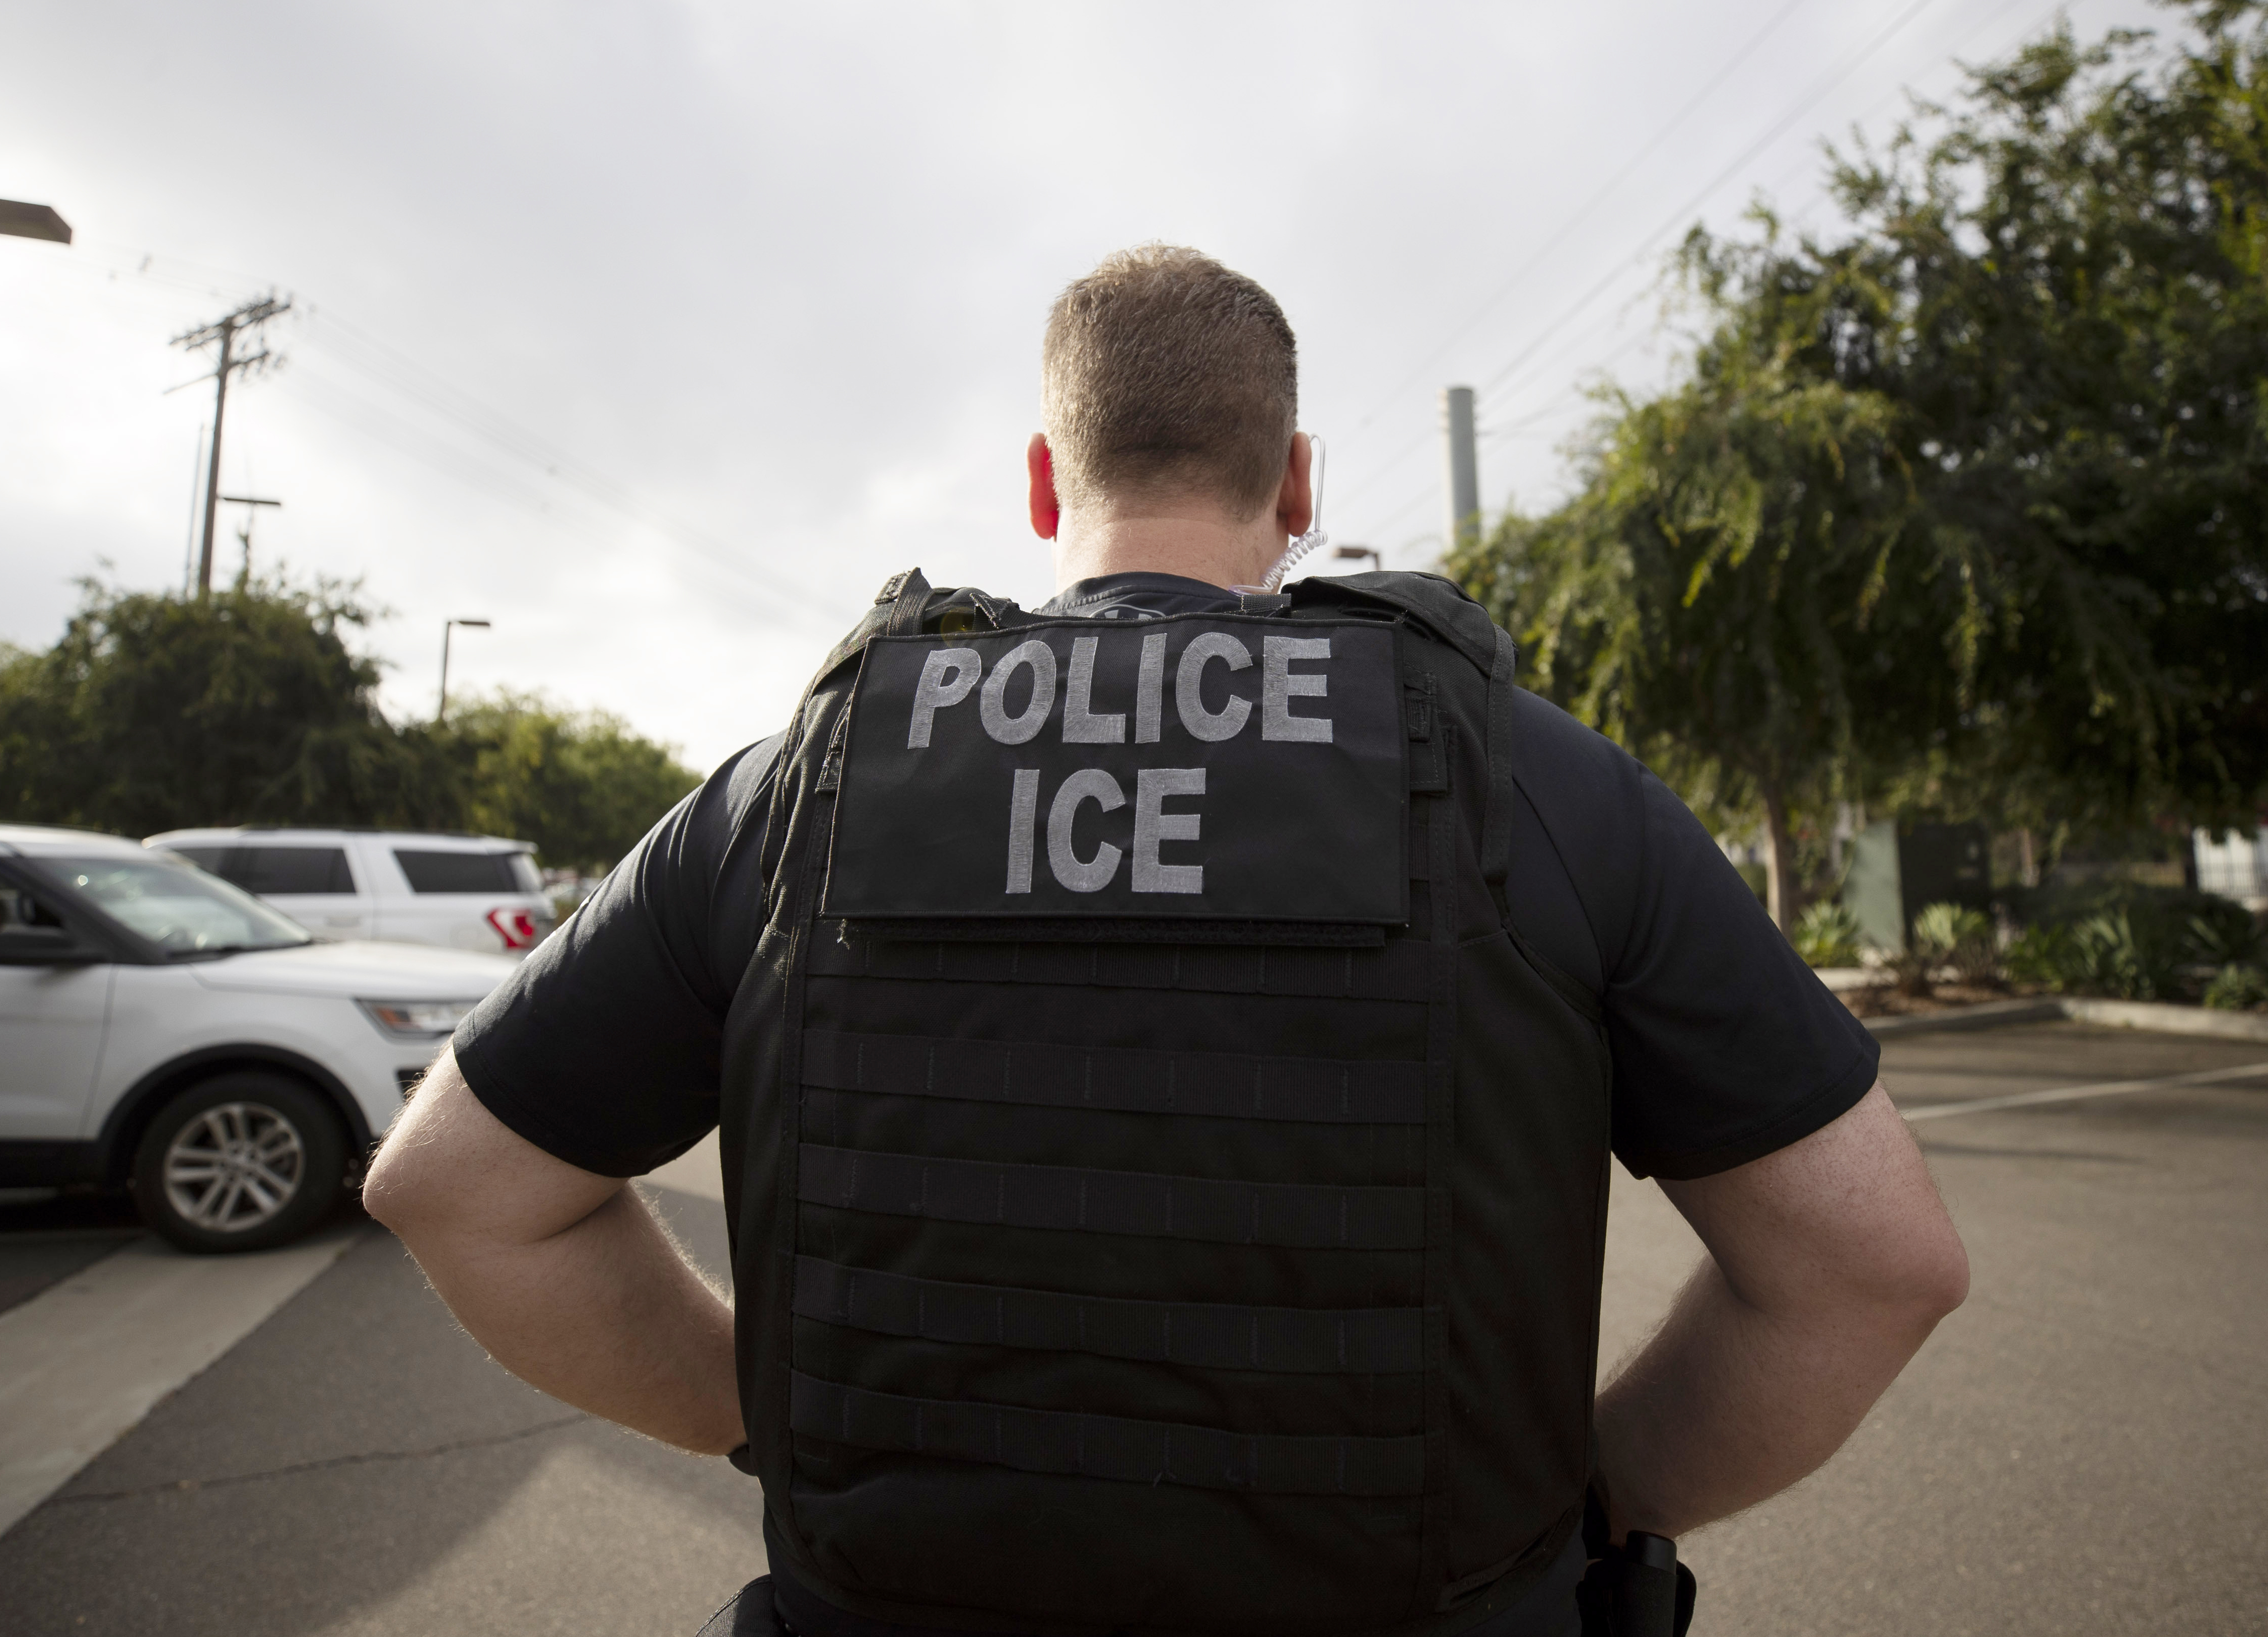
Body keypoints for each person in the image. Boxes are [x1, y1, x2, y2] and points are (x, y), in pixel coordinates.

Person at [365, 245, 1968, 1637]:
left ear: (1048, 483)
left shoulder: (808, 784)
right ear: (1298, 487)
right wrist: (1598, 1491)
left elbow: (454, 1189)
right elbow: (1871, 1265)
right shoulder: (1533, 777)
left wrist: (750, 1406)